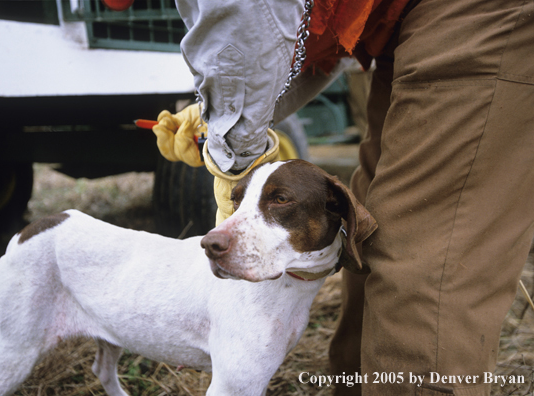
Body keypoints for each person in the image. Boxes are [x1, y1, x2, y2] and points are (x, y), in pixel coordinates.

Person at [148, 0, 534, 394]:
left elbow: (250, 11)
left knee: (423, 254)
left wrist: (234, 137)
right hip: (397, 26)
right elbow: (311, 34)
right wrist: (217, 114)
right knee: (368, 237)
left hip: (478, 12)